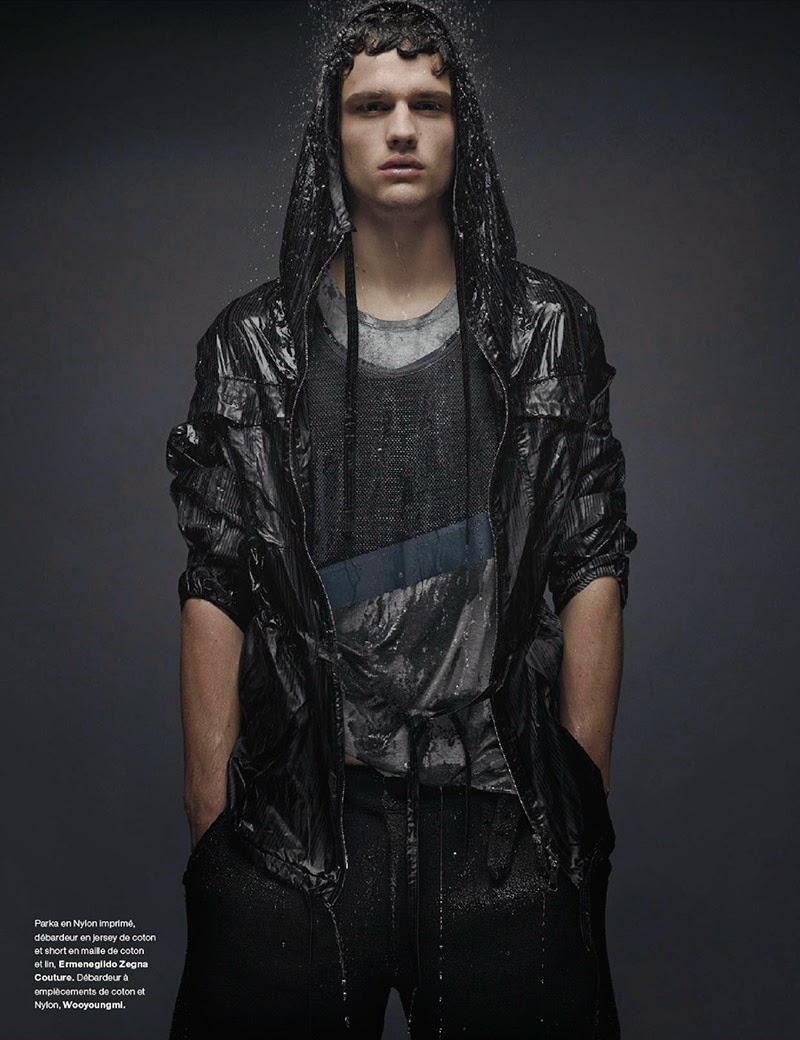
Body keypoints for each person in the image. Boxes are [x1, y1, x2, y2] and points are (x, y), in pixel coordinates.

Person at [165, 2, 638, 1037]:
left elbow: (590, 558)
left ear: (462, 129)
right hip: (299, 826)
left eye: (428, 103)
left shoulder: (547, 330)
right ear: (331, 133)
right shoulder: (254, 345)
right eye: (371, 105)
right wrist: (211, 822)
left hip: (505, 821)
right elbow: (218, 577)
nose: (402, 129)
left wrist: (579, 792)